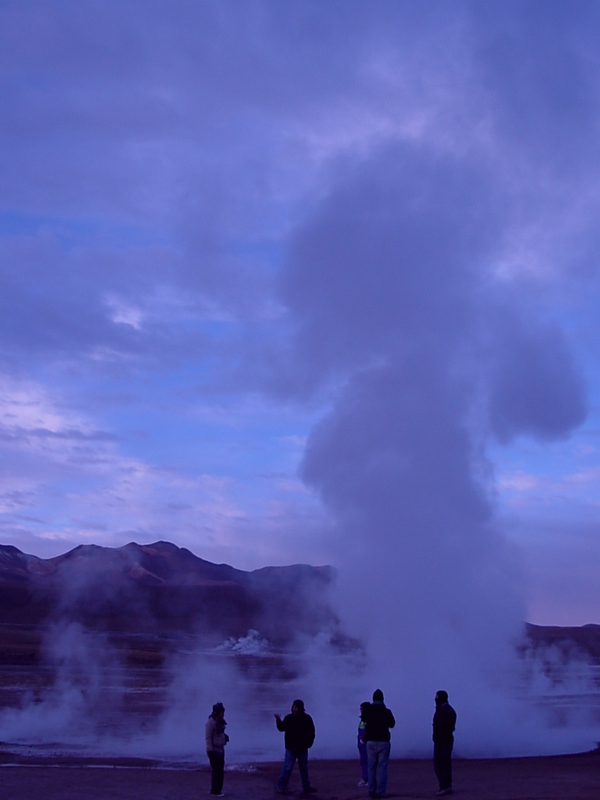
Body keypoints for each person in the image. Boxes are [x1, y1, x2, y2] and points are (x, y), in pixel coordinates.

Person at [274, 699, 317, 794]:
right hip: (291, 748)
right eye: (293, 707)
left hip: (302, 748)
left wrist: (309, 743)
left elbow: (311, 732)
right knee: (287, 767)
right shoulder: (289, 718)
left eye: (296, 707)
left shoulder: (307, 719)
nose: (294, 709)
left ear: (301, 708)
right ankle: (281, 786)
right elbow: (282, 728)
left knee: (304, 768)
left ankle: (306, 786)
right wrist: (278, 721)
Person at [364, 689, 395, 798]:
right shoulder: (387, 711)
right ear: (382, 698)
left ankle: (371, 790)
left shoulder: (368, 711)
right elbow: (392, 724)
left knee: (371, 767)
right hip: (383, 741)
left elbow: (364, 722)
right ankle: (381, 792)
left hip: (371, 741)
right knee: (382, 767)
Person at [432, 690, 457, 797]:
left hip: (441, 741)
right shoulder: (451, 710)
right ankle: (448, 785)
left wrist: (436, 736)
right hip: (448, 740)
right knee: (446, 763)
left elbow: (439, 726)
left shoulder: (442, 711)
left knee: (439, 764)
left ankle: (444, 786)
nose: (435, 699)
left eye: (436, 697)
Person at [205, 701, 229, 797]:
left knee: (220, 772)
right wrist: (210, 752)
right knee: (216, 772)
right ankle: (215, 791)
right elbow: (208, 738)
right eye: (222, 712)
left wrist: (225, 737)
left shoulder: (220, 722)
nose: (223, 714)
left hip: (221, 750)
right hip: (214, 751)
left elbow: (219, 735)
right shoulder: (210, 723)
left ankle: (218, 790)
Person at [357, 701, 371, 786]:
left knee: (368, 762)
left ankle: (369, 779)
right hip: (361, 743)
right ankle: (365, 778)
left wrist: (364, 740)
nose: (360, 710)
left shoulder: (367, 719)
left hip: (365, 743)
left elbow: (367, 731)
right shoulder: (363, 719)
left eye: (361, 708)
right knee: (363, 761)